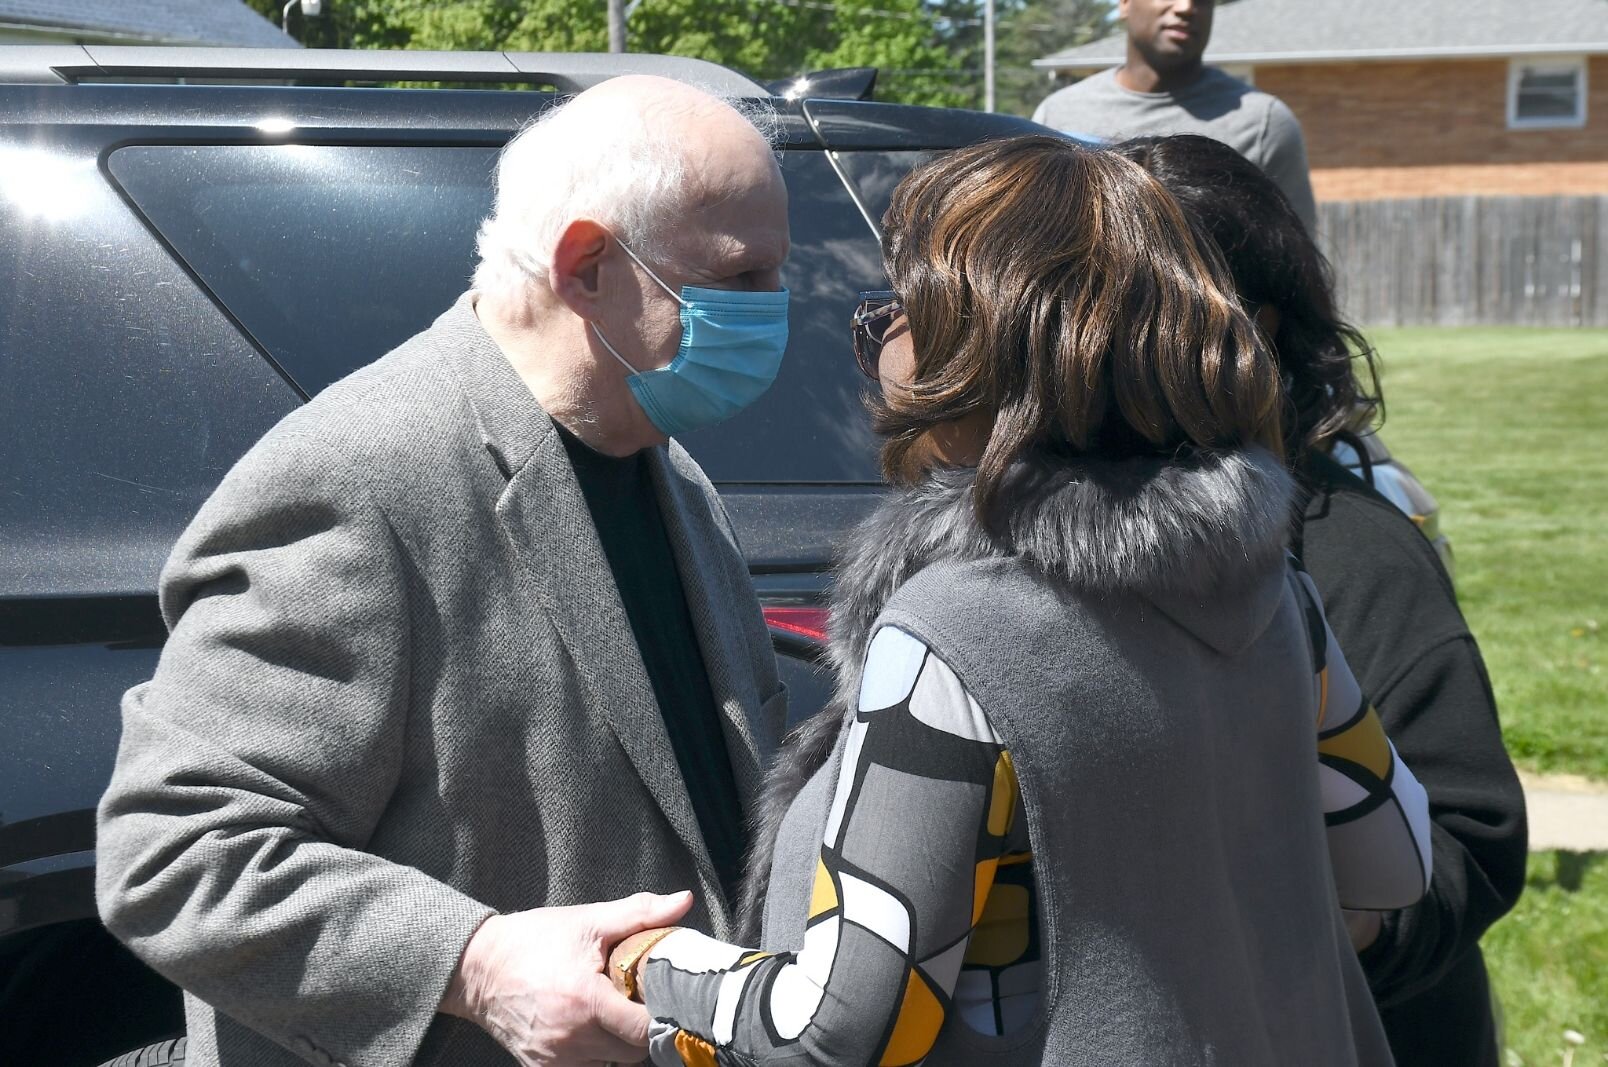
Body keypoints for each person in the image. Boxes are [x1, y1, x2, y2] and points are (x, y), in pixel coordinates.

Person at [603, 135, 1432, 1066]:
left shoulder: (954, 636)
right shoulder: (1274, 589)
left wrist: (651, 962)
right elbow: (1394, 860)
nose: (878, 330)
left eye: (902, 307)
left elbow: (844, 1024)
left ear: (990, 341)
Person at [94, 75, 791, 1067]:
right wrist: (478, 963)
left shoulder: (668, 470)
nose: (777, 310)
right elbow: (175, 850)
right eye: (742, 275)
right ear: (587, 264)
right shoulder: (358, 476)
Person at [1118, 132, 1529, 1067]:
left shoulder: (1356, 553)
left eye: (1130, 302)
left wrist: (1353, 925)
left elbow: (1471, 829)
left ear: (1250, 330)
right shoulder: (1069, 537)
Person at [1031, 0, 1318, 235]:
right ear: (1124, 4)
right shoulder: (1057, 115)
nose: (1186, 7)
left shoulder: (1263, 124)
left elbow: (1297, 271)